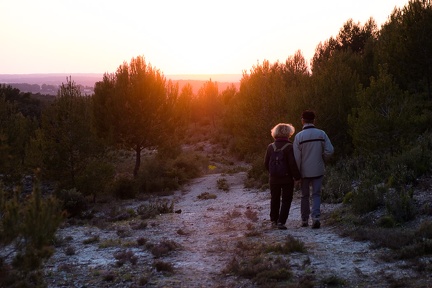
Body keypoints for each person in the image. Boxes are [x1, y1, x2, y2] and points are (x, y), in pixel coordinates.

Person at [293, 110, 334, 229]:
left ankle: (304, 220)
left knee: (304, 195)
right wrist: (323, 158)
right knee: (316, 194)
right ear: (314, 121)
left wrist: (297, 174)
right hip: (318, 169)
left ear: (302, 121)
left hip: (304, 171)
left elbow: (297, 158)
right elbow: (330, 150)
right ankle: (316, 217)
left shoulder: (299, 136)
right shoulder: (321, 134)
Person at [264, 123, 301, 230]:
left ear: (275, 133)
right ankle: (281, 222)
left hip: (273, 179)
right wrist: (297, 177)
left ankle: (273, 221)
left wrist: (272, 173)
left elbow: (266, 163)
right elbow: (292, 164)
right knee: (286, 200)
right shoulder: (290, 147)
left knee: (274, 199)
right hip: (287, 179)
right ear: (288, 133)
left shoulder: (270, 147)